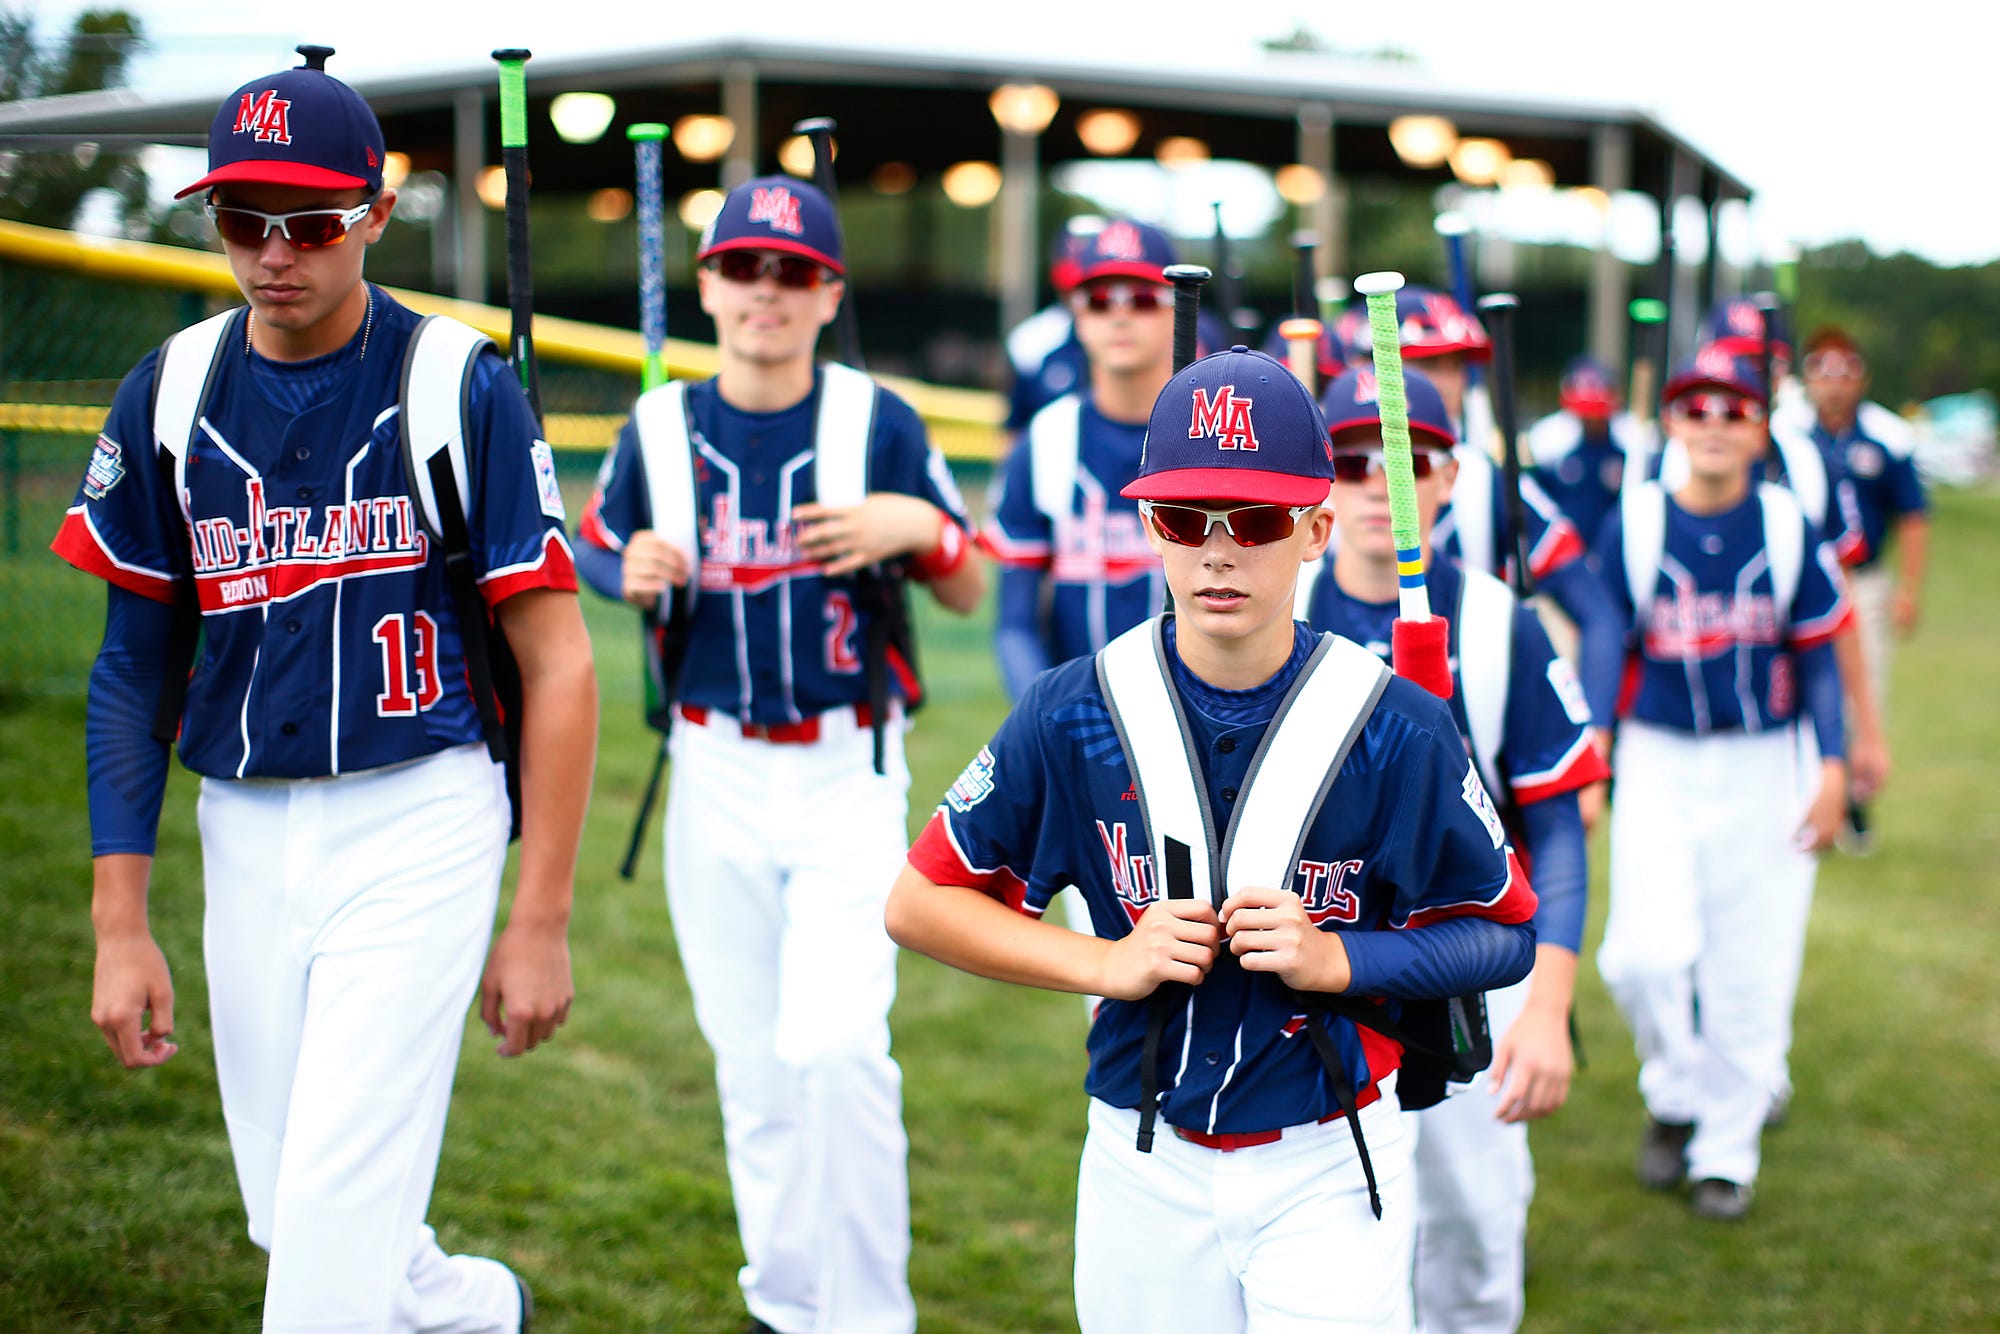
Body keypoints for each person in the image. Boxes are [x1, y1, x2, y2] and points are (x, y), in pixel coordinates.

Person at [51, 48, 592, 1331]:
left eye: (308, 221)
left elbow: (559, 659)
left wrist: (540, 913)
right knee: (291, 1215)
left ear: (375, 213)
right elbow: (132, 668)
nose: (273, 252)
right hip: (240, 819)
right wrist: (119, 919)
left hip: (421, 812)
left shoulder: (454, 382)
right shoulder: (173, 387)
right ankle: (472, 1309)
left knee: (324, 1257)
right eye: (244, 219)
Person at [886, 346, 1538, 1333]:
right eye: (1187, 519)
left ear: (1316, 527)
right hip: (1140, 1150)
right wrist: (1103, 959)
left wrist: (1337, 955)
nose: (1218, 551)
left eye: (1258, 519)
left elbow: (1502, 931)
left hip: (1331, 1157)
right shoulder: (1073, 710)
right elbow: (918, 901)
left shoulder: (1396, 724)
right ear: (1149, 525)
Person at [573, 174, 984, 1334]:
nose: (765, 289)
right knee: (752, 1064)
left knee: (840, 1047)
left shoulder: (876, 421)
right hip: (710, 762)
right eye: (743, 267)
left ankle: (867, 1314)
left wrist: (924, 528)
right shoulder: (658, 425)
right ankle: (786, 1301)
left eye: (792, 271)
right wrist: (628, 568)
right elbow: (597, 549)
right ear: (706, 284)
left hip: (846, 762)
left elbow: (966, 583)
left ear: (825, 291)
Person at [1304, 366, 1606, 1332]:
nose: (1375, 482)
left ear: (1447, 477)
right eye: (1347, 461)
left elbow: (1558, 821)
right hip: (1308, 951)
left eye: (1404, 458)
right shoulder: (1274, 611)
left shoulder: (1494, 622)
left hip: (1468, 954)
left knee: (1474, 1218)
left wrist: (1550, 1002)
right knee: (1330, 1223)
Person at [1586, 351, 1850, 1222]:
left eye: (1733, 409)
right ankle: (1675, 1093)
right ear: (1670, 421)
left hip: (1764, 760)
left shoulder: (1783, 523)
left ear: (1759, 427)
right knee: (1641, 955)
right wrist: (1593, 747)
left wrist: (1836, 766)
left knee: (1750, 965)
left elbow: (1817, 655)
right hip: (1659, 757)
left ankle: (1725, 1153)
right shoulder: (1635, 519)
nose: (1712, 421)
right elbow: (1602, 639)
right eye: (1694, 406)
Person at [983, 217, 1179, 699]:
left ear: (1179, 308)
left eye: (1142, 298)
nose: (1119, 315)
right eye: (1098, 300)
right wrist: (1051, 720)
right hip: (1076, 714)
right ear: (1077, 315)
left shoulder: (1214, 433)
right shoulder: (1046, 438)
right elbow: (1015, 624)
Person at [1798, 326, 1929, 845]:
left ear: (1863, 378)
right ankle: (1809, 795)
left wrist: (1910, 589)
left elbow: (1914, 516)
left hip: (1862, 579)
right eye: (1823, 370)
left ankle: (1856, 802)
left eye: (1845, 370)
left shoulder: (1887, 437)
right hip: (1802, 580)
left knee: (1862, 686)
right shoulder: (1788, 434)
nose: (1834, 383)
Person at [1525, 354, 1653, 548]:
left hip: (1615, 546)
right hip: (1565, 548)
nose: (1592, 419)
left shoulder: (1632, 443)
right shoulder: (1550, 444)